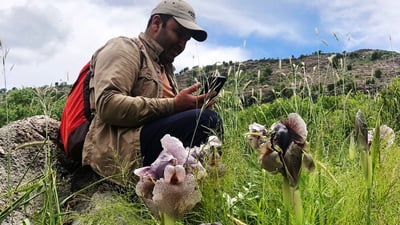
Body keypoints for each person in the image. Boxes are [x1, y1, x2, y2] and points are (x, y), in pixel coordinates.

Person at [81, 0, 223, 185]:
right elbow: (108, 105)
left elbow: (166, 117)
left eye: (186, 39)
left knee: (207, 122)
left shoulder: (165, 70)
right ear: (156, 23)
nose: (182, 44)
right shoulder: (125, 48)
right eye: (178, 33)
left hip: (151, 144)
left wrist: (186, 107)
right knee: (205, 120)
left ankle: (198, 194)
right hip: (122, 150)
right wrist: (174, 105)